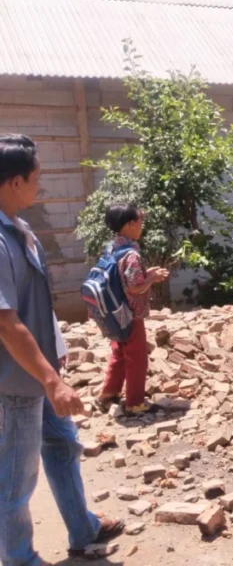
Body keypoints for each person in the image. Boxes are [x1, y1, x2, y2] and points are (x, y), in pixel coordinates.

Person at [0, 134, 123, 566]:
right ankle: (19, 559)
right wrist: (51, 381)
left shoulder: (18, 226)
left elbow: (35, 303)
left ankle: (82, 527)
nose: (40, 187)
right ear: (14, 182)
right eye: (35, 179)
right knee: (16, 478)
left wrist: (56, 353)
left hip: (41, 371)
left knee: (63, 445)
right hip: (19, 379)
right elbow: (6, 322)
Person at [95, 204, 169, 415]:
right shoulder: (132, 255)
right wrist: (152, 278)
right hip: (131, 314)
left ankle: (107, 395)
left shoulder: (113, 248)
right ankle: (135, 403)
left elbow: (123, 279)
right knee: (137, 358)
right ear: (129, 224)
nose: (142, 226)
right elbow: (134, 287)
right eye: (140, 221)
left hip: (114, 312)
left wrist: (149, 273)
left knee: (119, 352)